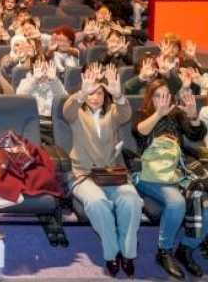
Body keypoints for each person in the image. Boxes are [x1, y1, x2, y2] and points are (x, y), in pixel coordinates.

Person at [133, 79, 208, 279]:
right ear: (149, 98)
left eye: (166, 95)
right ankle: (164, 251)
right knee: (176, 202)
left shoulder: (177, 116)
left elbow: (197, 134)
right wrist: (158, 114)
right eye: (157, 95)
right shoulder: (142, 115)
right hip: (149, 174)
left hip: (177, 171)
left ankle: (186, 248)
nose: (163, 100)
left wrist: (194, 117)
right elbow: (139, 132)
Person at [63, 64, 142, 278]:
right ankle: (112, 253)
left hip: (112, 173)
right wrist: (82, 92)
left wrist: (119, 95)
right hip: (83, 174)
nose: (94, 97)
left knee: (132, 201)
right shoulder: (77, 113)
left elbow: (126, 114)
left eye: (99, 93)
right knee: (98, 203)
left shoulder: (113, 114)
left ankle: (128, 253)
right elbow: (67, 109)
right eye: (91, 93)